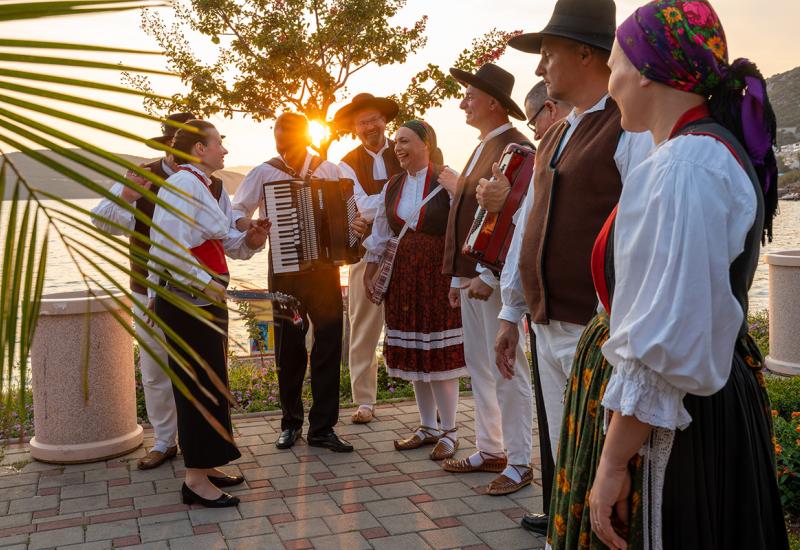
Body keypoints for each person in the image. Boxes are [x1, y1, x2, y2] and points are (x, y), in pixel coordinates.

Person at [549, 2, 788, 549]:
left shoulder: (687, 165)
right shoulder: (691, 154)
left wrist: (613, 461)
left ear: (649, 69)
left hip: (680, 423)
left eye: (612, 68)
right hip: (695, 408)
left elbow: (667, 341)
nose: (610, 85)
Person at [489, 0, 653, 534]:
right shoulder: (556, 135)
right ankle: (566, 538)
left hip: (595, 328)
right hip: (547, 323)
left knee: (606, 463)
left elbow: (642, 239)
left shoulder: (629, 130)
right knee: (564, 454)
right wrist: (512, 310)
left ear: (586, 54)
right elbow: (526, 229)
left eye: (548, 54)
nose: (539, 68)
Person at [147, 119, 270, 507]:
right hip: (189, 303)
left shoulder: (203, 186)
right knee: (199, 387)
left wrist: (250, 239)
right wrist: (204, 283)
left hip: (202, 302)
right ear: (199, 149)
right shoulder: (184, 184)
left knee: (213, 383)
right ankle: (195, 480)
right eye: (219, 143)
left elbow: (221, 241)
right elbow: (166, 246)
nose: (225, 150)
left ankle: (210, 464)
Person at [435, 63, 535, 495]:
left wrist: (488, 276)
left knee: (507, 367)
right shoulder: (485, 145)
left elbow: (514, 221)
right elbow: (472, 217)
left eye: (470, 96)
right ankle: (491, 447)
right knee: (480, 365)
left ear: (493, 102)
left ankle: (519, 460)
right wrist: (458, 278)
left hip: (491, 278)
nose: (462, 102)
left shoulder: (516, 147)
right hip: (469, 277)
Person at [232, 112, 353, 453]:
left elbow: (348, 209)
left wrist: (349, 230)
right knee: (288, 348)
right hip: (284, 272)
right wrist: (250, 225)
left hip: (325, 270)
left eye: (286, 131)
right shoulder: (264, 171)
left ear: (304, 135)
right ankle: (290, 424)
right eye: (276, 130)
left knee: (329, 345)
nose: (279, 136)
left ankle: (323, 428)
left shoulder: (328, 170)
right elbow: (236, 208)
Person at [90, 112, 197, 470]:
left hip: (196, 290)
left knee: (201, 366)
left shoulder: (207, 181)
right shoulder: (140, 174)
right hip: (146, 288)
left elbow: (222, 232)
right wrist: (127, 194)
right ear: (168, 145)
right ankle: (166, 441)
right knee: (154, 368)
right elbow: (101, 221)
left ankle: (204, 440)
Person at [358, 120, 467, 461]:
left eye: (404, 141)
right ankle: (427, 426)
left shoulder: (447, 179)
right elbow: (380, 231)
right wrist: (371, 268)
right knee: (416, 351)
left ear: (426, 143)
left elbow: (466, 227)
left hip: (437, 275)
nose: (398, 147)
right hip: (404, 278)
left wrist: (457, 279)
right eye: (395, 143)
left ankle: (449, 430)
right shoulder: (393, 185)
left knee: (438, 354)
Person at [334, 93, 403, 424]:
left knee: (413, 322)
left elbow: (414, 195)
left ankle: (426, 398)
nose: (369, 126)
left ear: (385, 121)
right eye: (362, 122)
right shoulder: (345, 162)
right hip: (366, 254)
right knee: (362, 325)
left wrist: (376, 205)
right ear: (354, 127)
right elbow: (360, 206)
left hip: (408, 250)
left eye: (374, 119)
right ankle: (364, 400)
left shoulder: (406, 148)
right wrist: (397, 192)